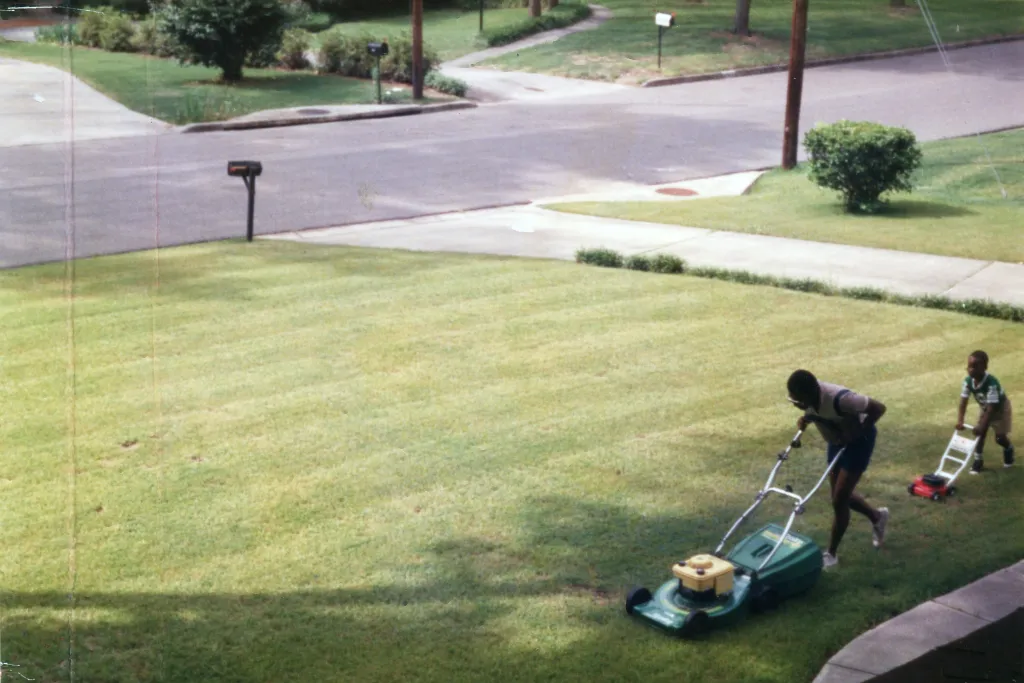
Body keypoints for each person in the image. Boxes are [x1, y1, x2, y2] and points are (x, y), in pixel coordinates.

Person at [786, 369, 889, 570]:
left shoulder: (842, 400)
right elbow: (815, 412)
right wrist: (806, 419)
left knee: (839, 499)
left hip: (859, 442)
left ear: (809, 394)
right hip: (836, 440)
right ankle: (877, 516)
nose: (795, 404)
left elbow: (879, 408)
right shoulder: (810, 400)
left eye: (797, 400)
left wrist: (857, 433)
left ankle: (831, 554)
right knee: (839, 495)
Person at [957, 350, 1014, 473]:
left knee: (999, 438)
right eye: (969, 366)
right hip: (986, 408)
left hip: (1000, 409)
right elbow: (963, 402)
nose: (971, 369)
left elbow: (992, 408)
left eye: (974, 366)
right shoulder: (968, 382)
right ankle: (978, 461)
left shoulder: (991, 383)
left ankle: (1008, 448)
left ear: (984, 367)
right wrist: (960, 420)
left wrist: (982, 425)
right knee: (980, 435)